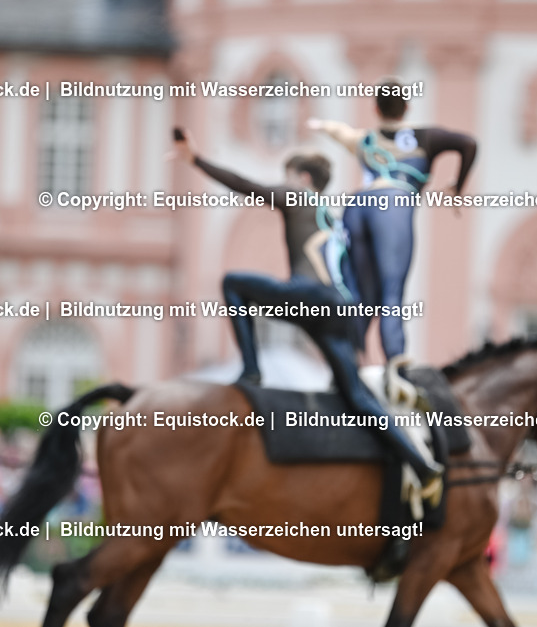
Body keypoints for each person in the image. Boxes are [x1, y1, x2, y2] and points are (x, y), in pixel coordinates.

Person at [172, 128, 442, 489]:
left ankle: (252, 371)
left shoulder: (298, 193)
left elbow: (247, 186)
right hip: (340, 310)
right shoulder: (333, 219)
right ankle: (420, 465)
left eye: (287, 178)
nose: (282, 186)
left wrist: (196, 160)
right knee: (357, 397)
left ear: (302, 178)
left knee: (233, 283)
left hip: (308, 296)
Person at [308, 78, 477, 360]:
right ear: (407, 107)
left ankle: (352, 364)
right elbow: (469, 144)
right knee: (391, 296)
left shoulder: (365, 140)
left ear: (375, 109)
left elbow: (338, 130)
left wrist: (320, 125)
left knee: (361, 298)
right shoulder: (426, 137)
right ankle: (396, 367)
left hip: (358, 205)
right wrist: (458, 186)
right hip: (392, 204)